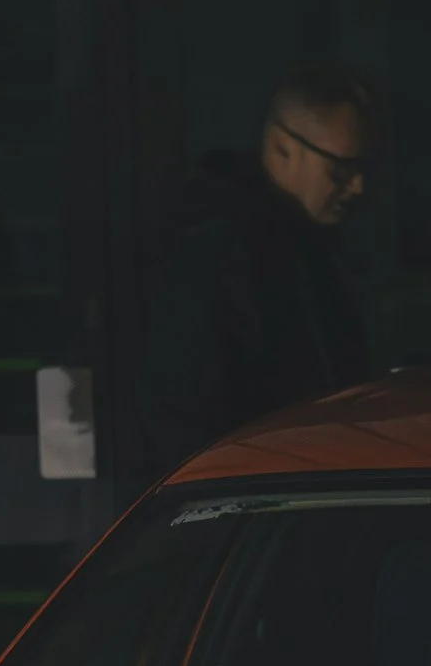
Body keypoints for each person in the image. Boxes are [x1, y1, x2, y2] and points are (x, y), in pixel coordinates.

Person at [139, 62, 373, 481]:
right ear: (283, 148)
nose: (357, 186)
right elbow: (189, 412)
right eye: (340, 169)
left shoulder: (302, 243)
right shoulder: (221, 251)